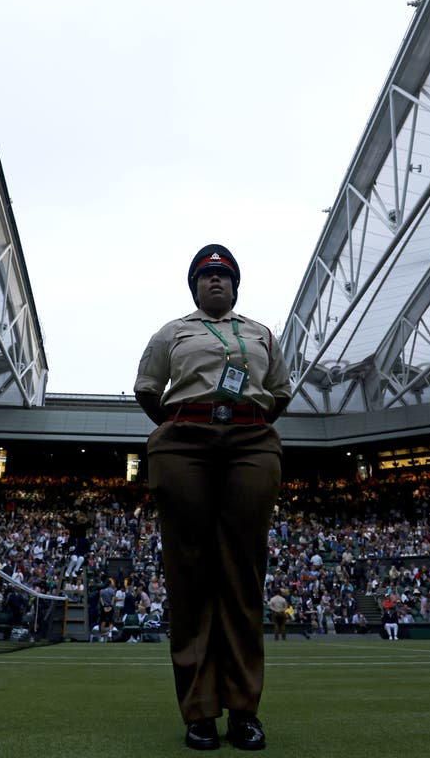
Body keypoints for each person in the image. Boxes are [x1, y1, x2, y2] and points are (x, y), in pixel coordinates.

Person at [135, 244, 291, 752]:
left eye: (223, 275)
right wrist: (187, 427)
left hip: (250, 440)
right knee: (190, 573)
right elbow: (148, 389)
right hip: (185, 441)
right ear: (194, 286)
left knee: (243, 574)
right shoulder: (171, 332)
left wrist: (245, 424)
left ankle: (245, 711)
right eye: (205, 275)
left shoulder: (262, 333)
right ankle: (200, 712)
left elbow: (281, 392)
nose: (215, 280)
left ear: (236, 285)